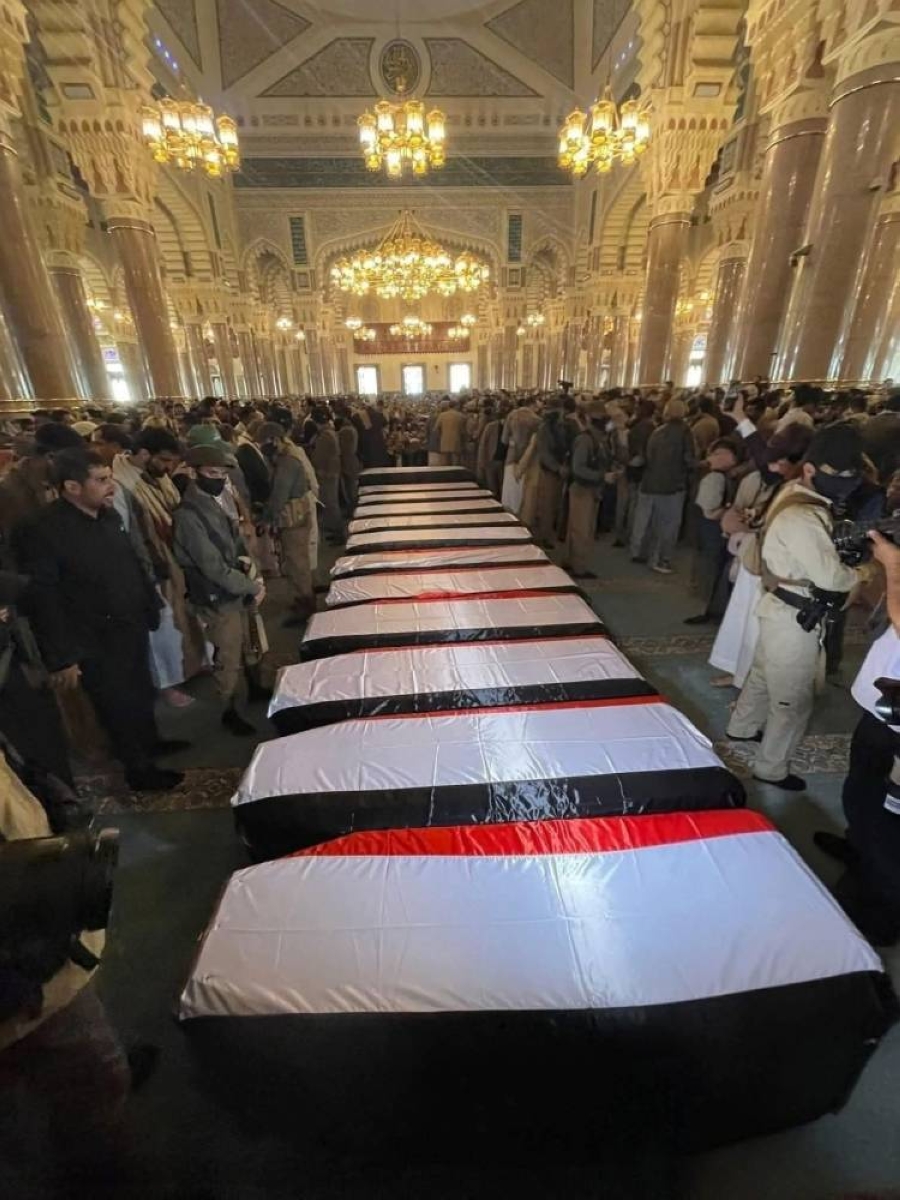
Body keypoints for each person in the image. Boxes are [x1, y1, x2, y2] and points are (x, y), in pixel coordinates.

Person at [22, 450, 181, 793]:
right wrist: (63, 656)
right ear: (72, 487)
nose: (112, 486)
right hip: (92, 636)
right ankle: (138, 770)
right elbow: (43, 598)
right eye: (101, 480)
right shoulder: (42, 529)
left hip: (130, 623)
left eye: (110, 477)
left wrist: (151, 603)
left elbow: (131, 563)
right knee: (117, 703)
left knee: (141, 690)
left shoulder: (107, 516)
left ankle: (150, 743)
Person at [725, 425, 862, 790]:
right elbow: (832, 577)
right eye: (839, 474)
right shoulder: (803, 515)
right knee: (793, 699)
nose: (846, 481)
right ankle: (771, 768)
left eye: (852, 474)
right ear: (811, 469)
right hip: (794, 616)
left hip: (779, 606)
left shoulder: (793, 493)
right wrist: (864, 572)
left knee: (761, 674)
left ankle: (742, 727)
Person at [813, 531, 900, 945]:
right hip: (884, 712)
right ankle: (859, 850)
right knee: (862, 794)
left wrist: (893, 563)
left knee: (889, 821)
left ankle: (880, 913)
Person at [173, 444, 267, 737]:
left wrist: (251, 574)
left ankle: (255, 688)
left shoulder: (216, 499)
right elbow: (211, 566)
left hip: (235, 585)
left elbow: (235, 541)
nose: (219, 479)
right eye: (212, 473)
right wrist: (250, 585)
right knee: (228, 654)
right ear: (194, 473)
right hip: (218, 594)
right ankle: (229, 709)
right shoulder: (188, 515)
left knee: (248, 642)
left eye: (222, 474)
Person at [257, 423, 315, 622]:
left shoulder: (287, 462)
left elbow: (279, 495)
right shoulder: (286, 457)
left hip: (293, 520)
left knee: (297, 564)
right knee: (297, 562)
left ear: (275, 439)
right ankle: (303, 598)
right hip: (296, 517)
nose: (263, 446)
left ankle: (305, 605)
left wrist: (266, 518)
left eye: (264, 442)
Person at [629, 399, 694, 574]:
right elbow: (689, 459)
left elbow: (648, 456)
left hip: (651, 482)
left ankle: (642, 552)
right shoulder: (685, 432)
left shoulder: (658, 431)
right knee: (669, 526)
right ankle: (661, 560)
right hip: (673, 486)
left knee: (651, 522)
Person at [684, 438, 741, 625]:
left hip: (711, 530)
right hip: (713, 530)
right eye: (714, 454)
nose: (715, 457)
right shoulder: (717, 478)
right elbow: (710, 510)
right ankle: (710, 608)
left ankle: (709, 608)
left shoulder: (717, 477)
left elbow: (708, 510)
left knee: (710, 568)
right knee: (711, 568)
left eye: (720, 454)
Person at [563, 403, 607, 580]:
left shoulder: (593, 438)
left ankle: (571, 560)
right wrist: (602, 476)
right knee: (582, 529)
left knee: (577, 527)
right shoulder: (586, 440)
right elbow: (578, 468)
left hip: (586, 488)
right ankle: (579, 567)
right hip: (583, 488)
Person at [533, 402, 568, 548]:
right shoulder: (544, 429)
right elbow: (544, 454)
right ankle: (544, 537)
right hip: (549, 471)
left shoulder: (558, 427)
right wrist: (557, 467)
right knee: (547, 506)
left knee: (554, 505)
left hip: (557, 471)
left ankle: (549, 534)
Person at [309, 406, 343, 544]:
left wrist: (325, 471)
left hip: (328, 473)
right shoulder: (328, 432)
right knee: (330, 503)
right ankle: (335, 530)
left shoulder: (326, 435)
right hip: (328, 472)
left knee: (331, 503)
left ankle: (339, 533)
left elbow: (328, 456)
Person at [335, 413, 360, 514]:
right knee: (352, 486)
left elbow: (341, 448)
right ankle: (354, 508)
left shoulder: (344, 431)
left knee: (349, 488)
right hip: (353, 460)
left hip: (346, 462)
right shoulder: (352, 429)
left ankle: (352, 509)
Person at [433, 398, 467, 466]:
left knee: (445, 463)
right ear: (457, 406)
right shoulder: (461, 416)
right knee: (456, 462)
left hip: (444, 441)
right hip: (456, 441)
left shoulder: (442, 415)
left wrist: (440, 436)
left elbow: (435, 429)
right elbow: (464, 431)